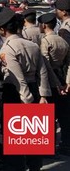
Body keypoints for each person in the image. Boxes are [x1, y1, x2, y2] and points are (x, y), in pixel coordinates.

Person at [0, 9, 50, 170]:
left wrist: (26, 101)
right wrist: (43, 95)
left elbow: (17, 76)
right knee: (34, 137)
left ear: (2, 29)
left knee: (16, 137)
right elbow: (42, 71)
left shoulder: (8, 48)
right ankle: (34, 166)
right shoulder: (32, 45)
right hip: (35, 89)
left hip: (16, 92)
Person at [40, 10, 70, 156]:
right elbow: (69, 63)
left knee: (49, 117)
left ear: (44, 25)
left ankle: (49, 146)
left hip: (52, 82)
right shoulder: (62, 40)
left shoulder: (45, 41)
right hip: (63, 79)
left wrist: (56, 83)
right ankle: (66, 144)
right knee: (64, 115)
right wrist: (68, 82)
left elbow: (46, 65)